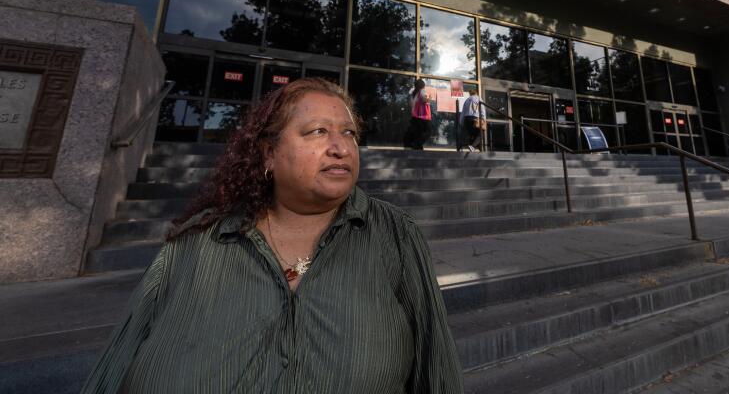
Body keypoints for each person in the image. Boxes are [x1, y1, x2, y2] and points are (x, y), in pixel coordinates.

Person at [82, 78, 463, 394]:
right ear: (268, 154)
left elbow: (437, 372)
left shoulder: (395, 235)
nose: (340, 147)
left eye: (349, 133)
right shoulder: (195, 242)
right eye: (317, 132)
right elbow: (115, 366)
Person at [407, 78, 432, 150]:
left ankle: (417, 147)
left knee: (418, 134)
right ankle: (417, 145)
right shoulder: (422, 91)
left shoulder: (414, 94)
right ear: (423, 85)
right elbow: (425, 100)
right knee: (427, 132)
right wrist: (429, 97)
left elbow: (411, 105)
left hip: (415, 117)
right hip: (423, 116)